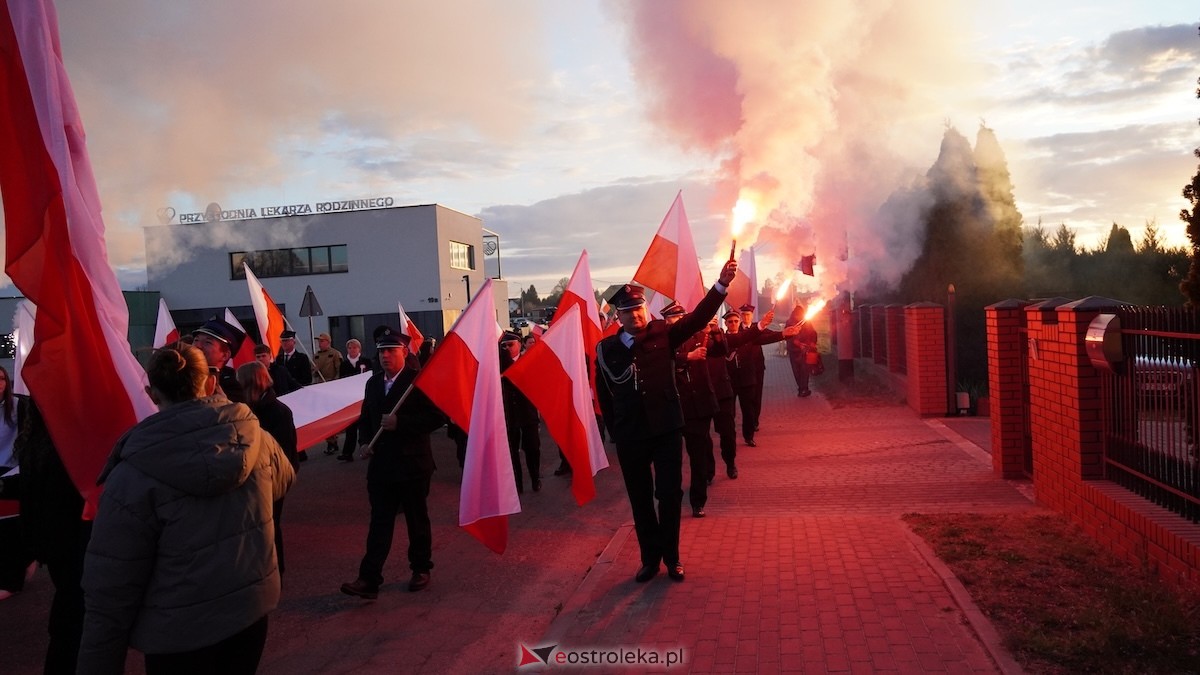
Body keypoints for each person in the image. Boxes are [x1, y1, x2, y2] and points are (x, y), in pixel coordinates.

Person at [79, 343, 295, 675]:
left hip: (178, 631)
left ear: (152, 393)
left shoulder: (132, 472)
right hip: (248, 612)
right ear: (210, 382)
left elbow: (111, 583)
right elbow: (283, 480)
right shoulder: (253, 434)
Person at [595, 260, 737, 584]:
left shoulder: (664, 332)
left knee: (669, 494)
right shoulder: (607, 350)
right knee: (641, 499)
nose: (637, 315)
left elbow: (698, 318)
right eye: (629, 311)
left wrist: (720, 285)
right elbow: (604, 395)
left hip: (666, 430)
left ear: (647, 309)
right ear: (618, 316)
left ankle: (672, 558)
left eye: (640, 308)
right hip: (632, 437)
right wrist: (616, 433)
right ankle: (650, 560)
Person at [341, 328, 446, 599]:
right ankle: (369, 578)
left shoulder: (417, 381)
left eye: (391, 351)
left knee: (416, 519)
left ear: (404, 353)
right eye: (381, 351)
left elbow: (436, 417)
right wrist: (364, 442)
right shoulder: (373, 383)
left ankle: (421, 568)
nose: (385, 356)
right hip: (382, 467)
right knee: (380, 522)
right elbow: (366, 418)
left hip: (412, 465)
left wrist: (402, 423)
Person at [16, 396, 90, 673]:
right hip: (70, 539)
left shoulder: (34, 441)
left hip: (53, 541)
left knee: (68, 609)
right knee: (74, 613)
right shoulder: (62, 448)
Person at [238, 361, 299, 575]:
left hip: (271, 479)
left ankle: (275, 571)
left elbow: (282, 451)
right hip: (260, 477)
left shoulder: (277, 411)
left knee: (270, 526)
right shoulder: (254, 407)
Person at [725, 306, 788, 447]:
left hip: (747, 379)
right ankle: (729, 437)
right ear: (726, 324)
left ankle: (749, 436)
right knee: (729, 412)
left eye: (736, 321)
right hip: (729, 381)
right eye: (730, 322)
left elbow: (768, 338)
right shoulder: (722, 339)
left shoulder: (747, 336)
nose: (734, 324)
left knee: (748, 410)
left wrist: (784, 334)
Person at [0, 366, 34, 601]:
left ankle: (13, 580)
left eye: (1, 378)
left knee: (9, 528)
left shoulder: (18, 407)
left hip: (12, 471)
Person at [500, 331, 541, 493]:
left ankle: (535, 477)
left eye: (510, 345)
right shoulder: (499, 364)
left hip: (528, 414)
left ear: (519, 344)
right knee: (512, 451)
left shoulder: (528, 362)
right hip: (509, 415)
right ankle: (517, 484)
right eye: (504, 346)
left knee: (532, 448)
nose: (507, 349)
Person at [192, 317, 247, 403]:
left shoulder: (233, 388)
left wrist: (224, 404)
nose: (198, 345)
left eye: (207, 342)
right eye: (196, 340)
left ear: (225, 355)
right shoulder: (180, 375)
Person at [337, 338, 374, 462]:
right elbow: (343, 381)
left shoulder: (366, 361)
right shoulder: (344, 364)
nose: (352, 350)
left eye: (354, 347)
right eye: (350, 348)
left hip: (364, 397)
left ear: (359, 349)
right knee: (351, 427)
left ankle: (370, 447)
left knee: (367, 424)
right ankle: (348, 452)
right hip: (351, 399)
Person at [311, 332, 344, 455]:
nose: (320, 343)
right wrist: (314, 371)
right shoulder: (316, 356)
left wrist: (335, 383)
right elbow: (313, 372)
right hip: (320, 386)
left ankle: (333, 440)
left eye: (322, 341)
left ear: (328, 342)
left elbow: (339, 370)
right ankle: (330, 441)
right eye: (319, 341)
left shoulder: (335, 354)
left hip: (331, 386)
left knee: (332, 415)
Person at [784, 304, 820, 397]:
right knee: (796, 371)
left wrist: (812, 342)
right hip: (794, 350)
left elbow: (813, 333)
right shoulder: (789, 323)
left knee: (804, 370)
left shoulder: (806, 322)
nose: (799, 317)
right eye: (798, 315)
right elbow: (788, 336)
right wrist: (798, 344)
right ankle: (802, 388)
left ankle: (804, 388)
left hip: (805, 351)